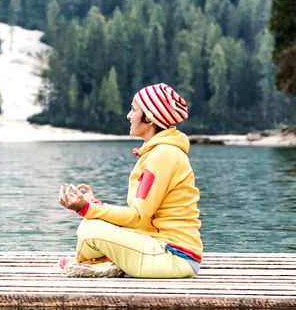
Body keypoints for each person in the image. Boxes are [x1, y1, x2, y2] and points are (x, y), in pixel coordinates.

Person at [56, 82, 202, 278]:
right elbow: (142, 219)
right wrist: (95, 205)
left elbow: (137, 217)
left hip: (174, 257)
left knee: (89, 228)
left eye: (134, 109)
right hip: (161, 249)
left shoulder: (163, 155)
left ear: (149, 118)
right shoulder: (161, 152)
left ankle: (98, 262)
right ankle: (104, 262)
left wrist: (87, 208)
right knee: (91, 224)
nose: (128, 115)